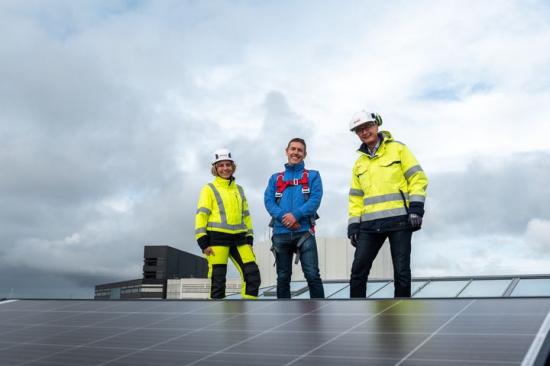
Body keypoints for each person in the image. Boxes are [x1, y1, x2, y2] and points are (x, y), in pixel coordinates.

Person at [347, 111, 428, 298]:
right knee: (358, 271)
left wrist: (416, 209)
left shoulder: (399, 149)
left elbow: (417, 177)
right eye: (359, 130)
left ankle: (401, 313)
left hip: (399, 221)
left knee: (401, 272)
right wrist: (353, 225)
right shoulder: (359, 163)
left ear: (376, 125)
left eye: (367, 127)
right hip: (369, 225)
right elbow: (356, 197)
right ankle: (355, 313)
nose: (364, 132)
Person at [195, 148, 261, 299]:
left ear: (233, 166)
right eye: (221, 165)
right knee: (218, 282)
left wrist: (249, 238)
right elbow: (201, 215)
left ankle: (248, 314)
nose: (225, 168)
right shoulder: (208, 189)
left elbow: (246, 216)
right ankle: (218, 320)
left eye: (228, 164)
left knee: (253, 277)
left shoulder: (240, 189)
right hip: (216, 240)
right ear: (215, 168)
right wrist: (203, 242)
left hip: (240, 240)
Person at [264, 138, 325, 299]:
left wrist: (296, 215)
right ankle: (284, 316)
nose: (296, 152)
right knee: (283, 278)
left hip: (304, 232)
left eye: (299, 150)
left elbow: (315, 200)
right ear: (287, 151)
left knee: (312, 276)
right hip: (280, 233)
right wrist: (285, 218)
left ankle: (319, 314)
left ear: (304, 154)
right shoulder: (275, 178)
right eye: (293, 149)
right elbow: (269, 201)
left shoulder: (313, 176)